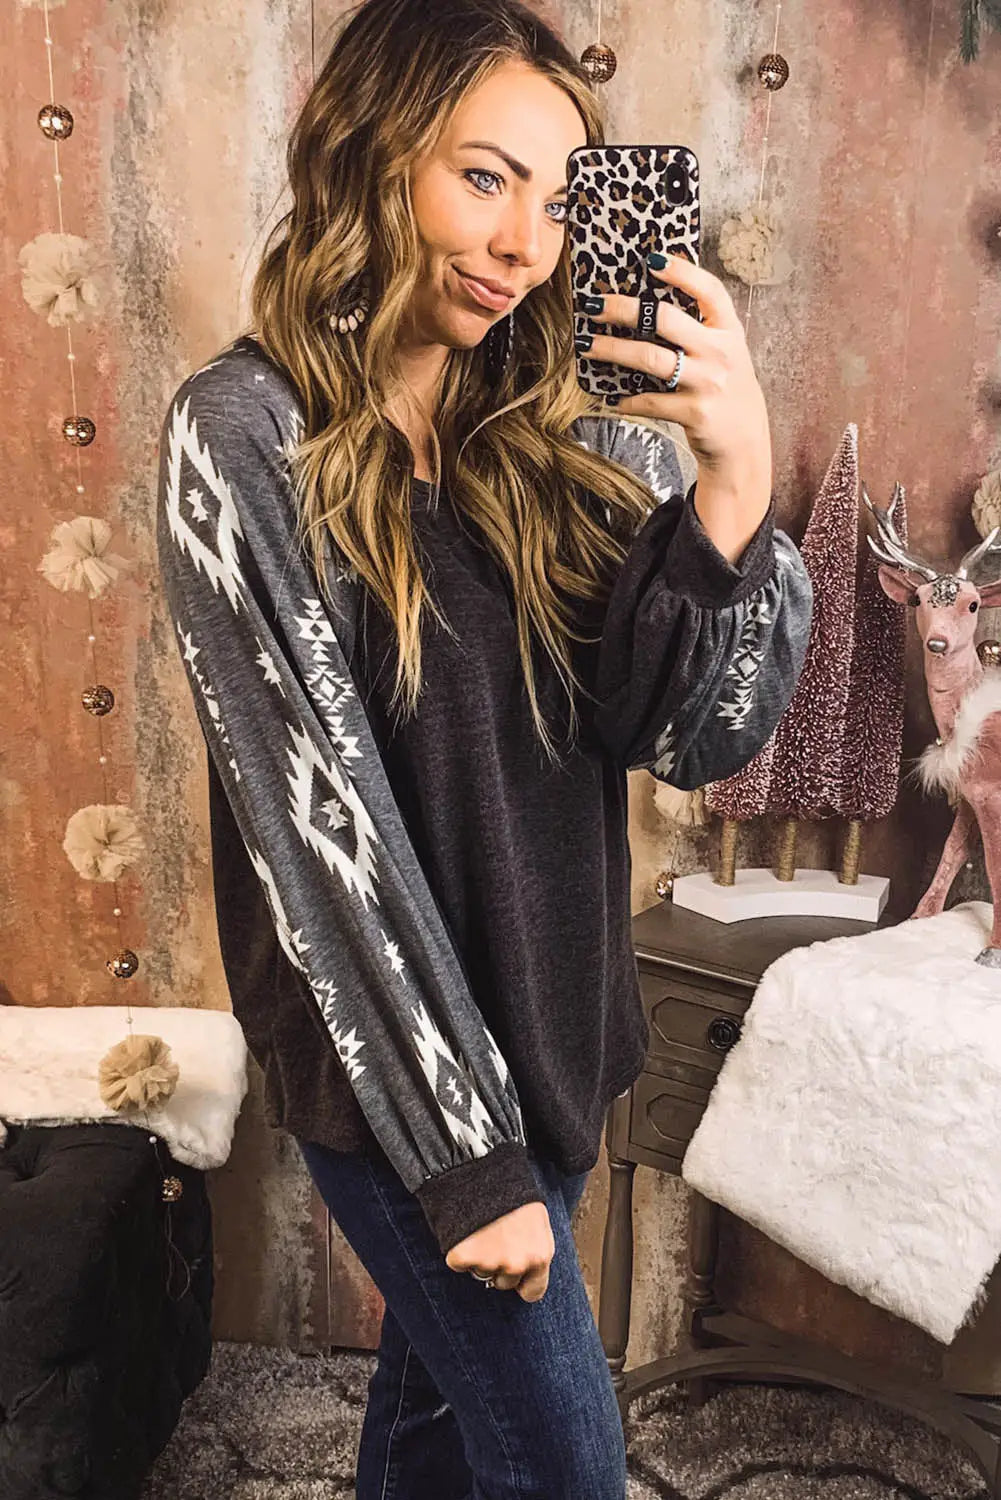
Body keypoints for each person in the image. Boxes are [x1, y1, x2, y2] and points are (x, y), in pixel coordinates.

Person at [156, 1, 812, 1494]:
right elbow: (320, 832)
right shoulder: (243, 434)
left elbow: (690, 737)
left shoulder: (569, 427)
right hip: (397, 1077)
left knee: (441, 1424)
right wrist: (466, 1160)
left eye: (557, 200)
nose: (522, 244)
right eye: (482, 176)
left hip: (559, 1027)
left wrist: (730, 483)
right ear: (372, 151)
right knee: (564, 1466)